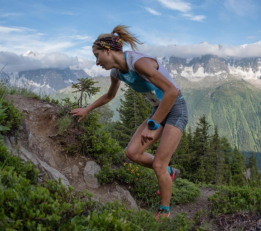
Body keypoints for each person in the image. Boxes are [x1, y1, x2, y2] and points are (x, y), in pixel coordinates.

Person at [70, 25, 188, 221]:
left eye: (97, 56)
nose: (97, 62)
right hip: (158, 110)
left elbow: (172, 92)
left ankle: (164, 212)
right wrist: (87, 109)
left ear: (108, 51)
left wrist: (153, 125)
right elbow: (110, 95)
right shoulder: (117, 73)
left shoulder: (138, 63)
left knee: (158, 163)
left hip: (175, 109)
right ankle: (169, 173)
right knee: (132, 153)